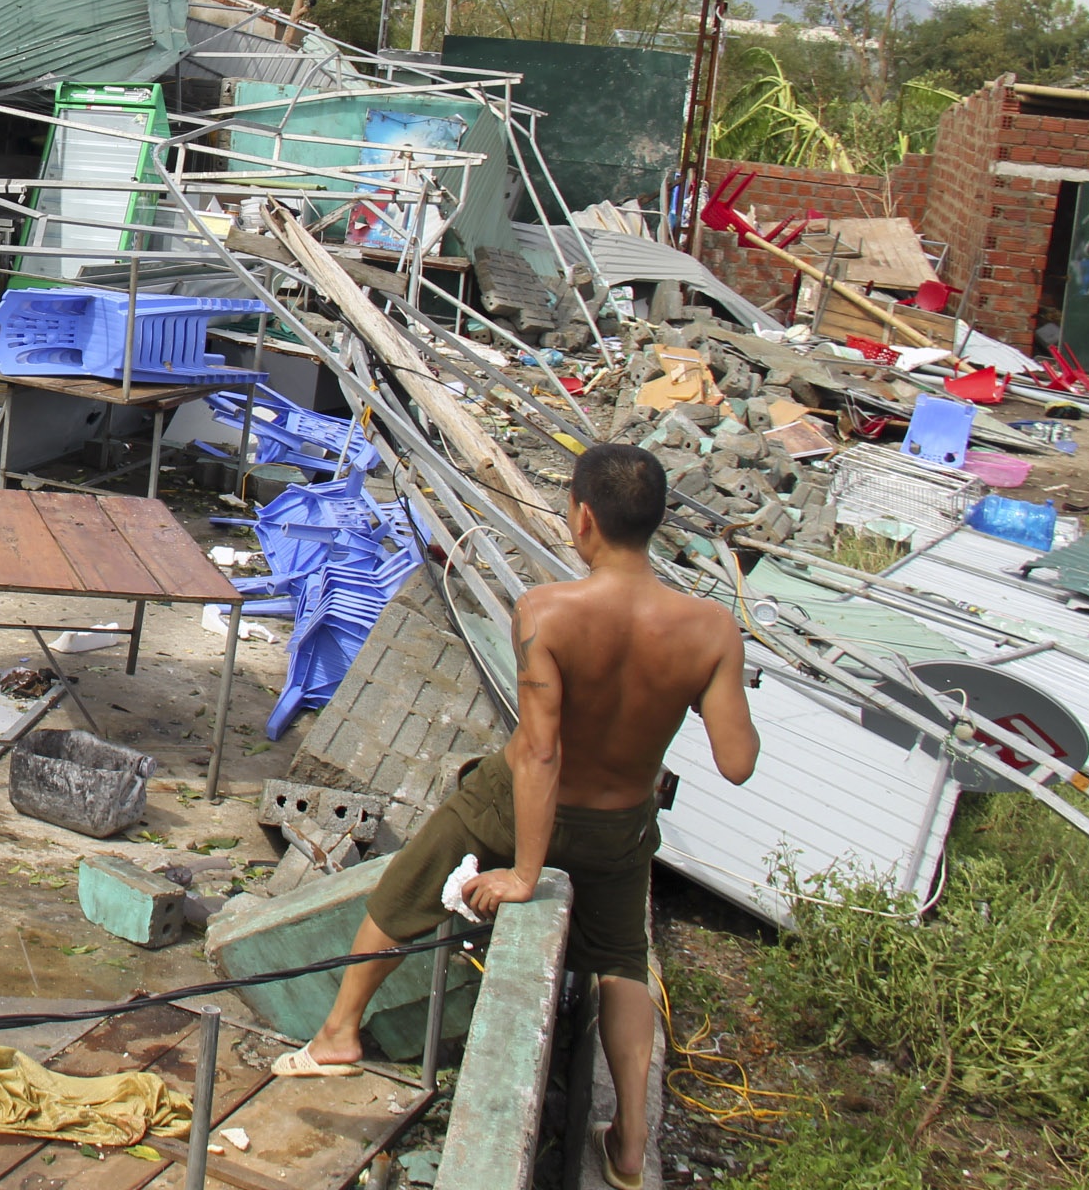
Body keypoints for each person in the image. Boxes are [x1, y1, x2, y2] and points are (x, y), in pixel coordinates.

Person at [277, 444, 760, 1190]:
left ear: (583, 518)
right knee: (622, 965)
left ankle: (339, 1034)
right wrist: (705, 679)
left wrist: (525, 872)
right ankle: (629, 1146)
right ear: (655, 524)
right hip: (620, 825)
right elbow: (736, 761)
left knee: (404, 890)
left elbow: (539, 755)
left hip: (515, 810)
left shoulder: (548, 613)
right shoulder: (711, 629)